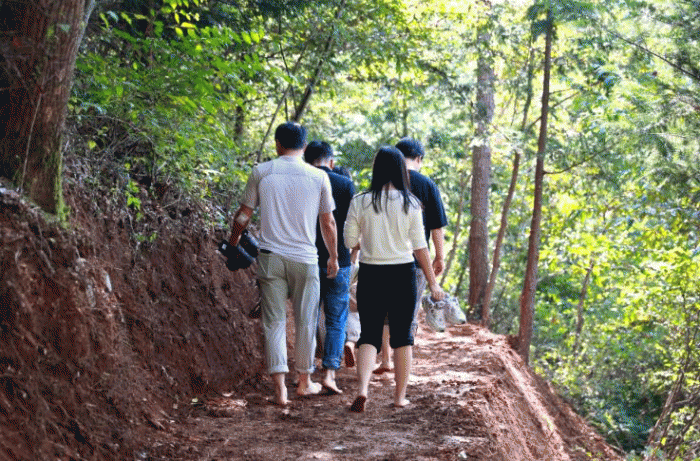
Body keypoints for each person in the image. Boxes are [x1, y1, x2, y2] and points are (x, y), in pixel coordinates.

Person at [228, 122, 339, 407]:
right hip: (306, 260)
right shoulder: (319, 176)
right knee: (306, 322)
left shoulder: (262, 172)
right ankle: (304, 382)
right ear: (304, 146)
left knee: (274, 322)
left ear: (277, 144)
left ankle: (280, 389)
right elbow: (328, 222)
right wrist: (333, 256)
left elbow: (244, 215)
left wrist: (233, 241)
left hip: (271, 259)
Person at [344, 146, 445, 412]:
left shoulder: (360, 201)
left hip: (371, 273)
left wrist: (367, 239)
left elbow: (349, 241)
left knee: (369, 334)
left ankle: (362, 390)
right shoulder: (411, 203)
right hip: (403, 274)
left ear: (376, 169)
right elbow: (420, 247)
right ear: (402, 170)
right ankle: (399, 397)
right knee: (402, 337)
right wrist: (433, 283)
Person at [373, 138, 450, 375]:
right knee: (408, 312)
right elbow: (436, 226)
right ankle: (403, 362)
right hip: (415, 260)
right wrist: (439, 256)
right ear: (419, 158)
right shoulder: (426, 184)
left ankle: (386, 360)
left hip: (381, 258)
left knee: (384, 311)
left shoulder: (383, 181)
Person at [304, 140, 355, 394]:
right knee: (336, 319)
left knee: (308, 317)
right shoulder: (345, 184)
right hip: (340, 259)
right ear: (331, 162)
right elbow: (353, 222)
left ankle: (305, 372)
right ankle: (330, 374)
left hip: (307, 257)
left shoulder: (303, 181)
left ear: (306, 159)